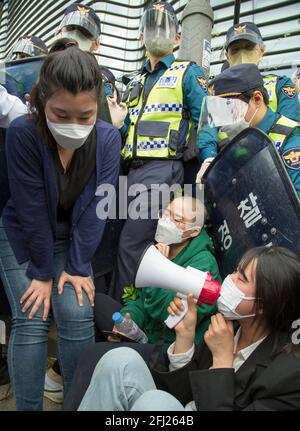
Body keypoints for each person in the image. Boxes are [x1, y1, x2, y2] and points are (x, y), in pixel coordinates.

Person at [0, 47, 121, 410]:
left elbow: (95, 209)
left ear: (97, 105)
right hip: (22, 233)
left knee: (76, 310)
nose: (73, 125)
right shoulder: (22, 133)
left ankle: (80, 404)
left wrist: (77, 265)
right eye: (60, 114)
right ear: (40, 103)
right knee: (32, 314)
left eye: (85, 116)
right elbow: (30, 207)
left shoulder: (108, 139)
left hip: (73, 238)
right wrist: (40, 272)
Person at [77, 246, 300, 411]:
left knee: (156, 405)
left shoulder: (288, 375)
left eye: (241, 278)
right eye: (235, 271)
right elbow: (184, 394)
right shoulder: (228, 326)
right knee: (121, 361)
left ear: (263, 304)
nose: (230, 280)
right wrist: (185, 336)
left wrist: (222, 362)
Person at [62, 195, 221, 410]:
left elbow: (167, 314)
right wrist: (129, 318)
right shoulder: (163, 248)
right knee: (96, 302)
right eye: (167, 213)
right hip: (145, 332)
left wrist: (161, 266)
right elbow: (140, 298)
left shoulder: (203, 264)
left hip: (168, 349)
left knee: (94, 355)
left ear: (193, 232)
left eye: (178, 219)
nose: (167, 221)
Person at [109, 2, 209, 301]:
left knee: (131, 244)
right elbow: (129, 128)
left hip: (161, 168)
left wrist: (209, 155)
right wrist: (116, 125)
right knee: (120, 240)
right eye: (150, 27)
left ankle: (121, 320)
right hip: (128, 169)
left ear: (178, 38)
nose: (156, 33)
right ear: (141, 37)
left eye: (164, 28)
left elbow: (206, 118)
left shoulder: (187, 73)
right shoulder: (134, 81)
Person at [197, 63, 300, 197]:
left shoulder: (291, 140)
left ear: (257, 99)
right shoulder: (239, 141)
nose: (224, 122)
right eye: (219, 112)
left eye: (230, 110)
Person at [221, 22, 300, 122]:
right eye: (235, 49)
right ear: (227, 56)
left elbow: (291, 129)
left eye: (249, 47)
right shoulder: (218, 91)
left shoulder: (280, 84)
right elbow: (207, 132)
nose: (242, 54)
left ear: (261, 51)